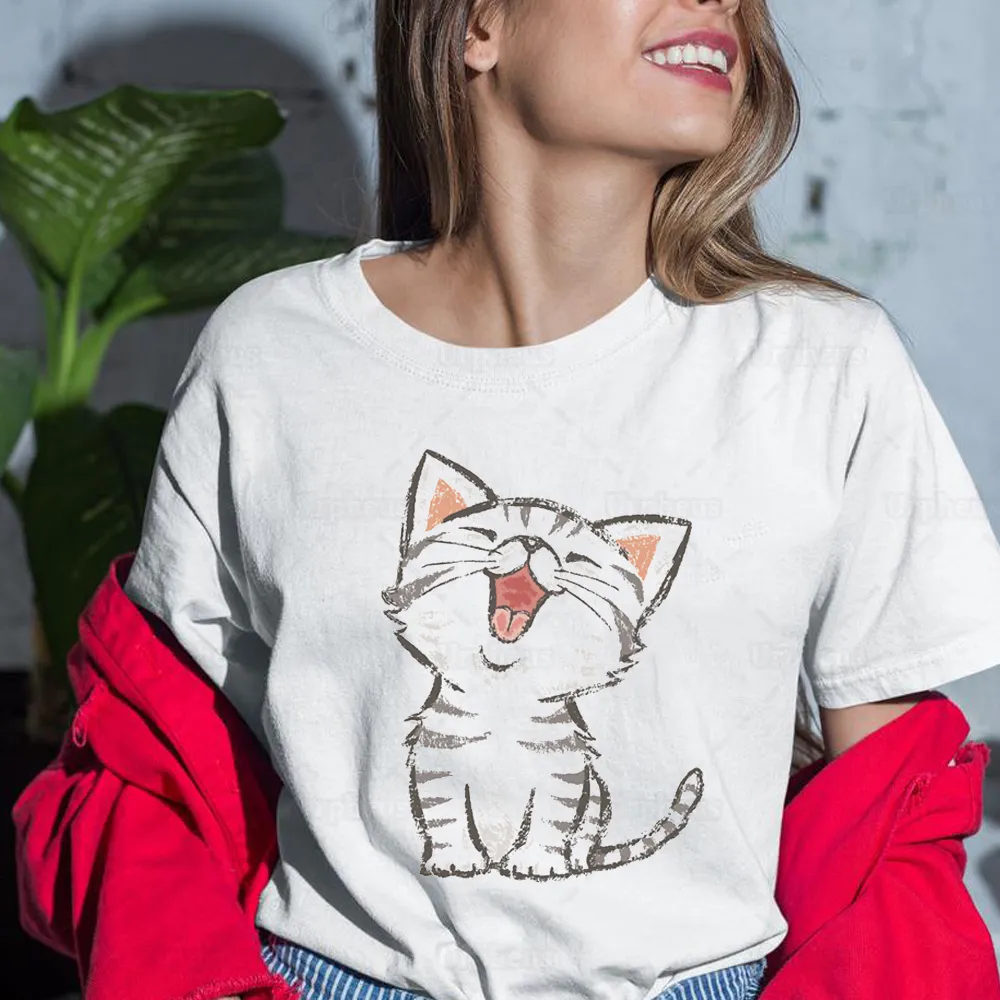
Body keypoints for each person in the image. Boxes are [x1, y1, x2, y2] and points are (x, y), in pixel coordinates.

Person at [117, 0, 1000, 998]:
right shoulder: (271, 354)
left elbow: (888, 830)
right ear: (478, 27)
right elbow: (161, 769)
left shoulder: (823, 364)